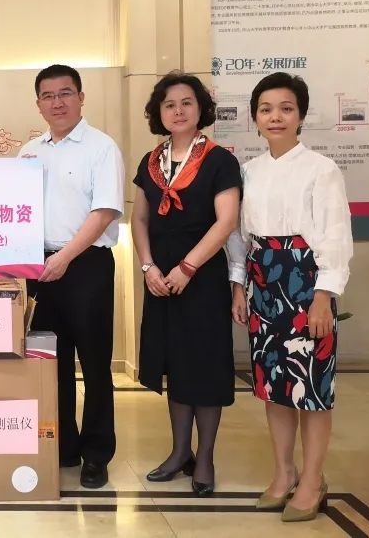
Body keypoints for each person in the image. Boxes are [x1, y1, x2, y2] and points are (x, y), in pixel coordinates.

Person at [229, 72, 352, 522]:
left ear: (300, 115)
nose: (275, 117)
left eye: (285, 108)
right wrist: (238, 285)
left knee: (313, 388)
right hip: (263, 283)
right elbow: (239, 237)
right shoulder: (249, 171)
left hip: (306, 283)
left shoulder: (322, 169)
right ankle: (283, 473)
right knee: (275, 386)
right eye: (265, 109)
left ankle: (313, 480)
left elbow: (336, 235)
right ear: (255, 118)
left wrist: (324, 296)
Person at [131, 72, 242, 496]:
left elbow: (226, 221)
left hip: (202, 277)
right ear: (158, 113)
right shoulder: (151, 161)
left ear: (201, 109)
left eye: (186, 103)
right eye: (169, 105)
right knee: (175, 365)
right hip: (160, 279)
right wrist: (148, 267)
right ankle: (180, 452)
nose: (178, 111)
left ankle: (205, 457)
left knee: (205, 368)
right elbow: (140, 219)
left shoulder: (219, 160)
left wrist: (188, 267)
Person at [18, 64, 124, 489]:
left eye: (65, 93)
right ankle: (63, 445)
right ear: (38, 104)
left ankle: (96, 454)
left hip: (86, 266)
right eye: (48, 96)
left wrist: (64, 256)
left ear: (81, 98)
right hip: (39, 268)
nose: (57, 102)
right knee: (50, 362)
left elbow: (104, 212)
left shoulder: (101, 147)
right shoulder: (28, 152)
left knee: (95, 364)